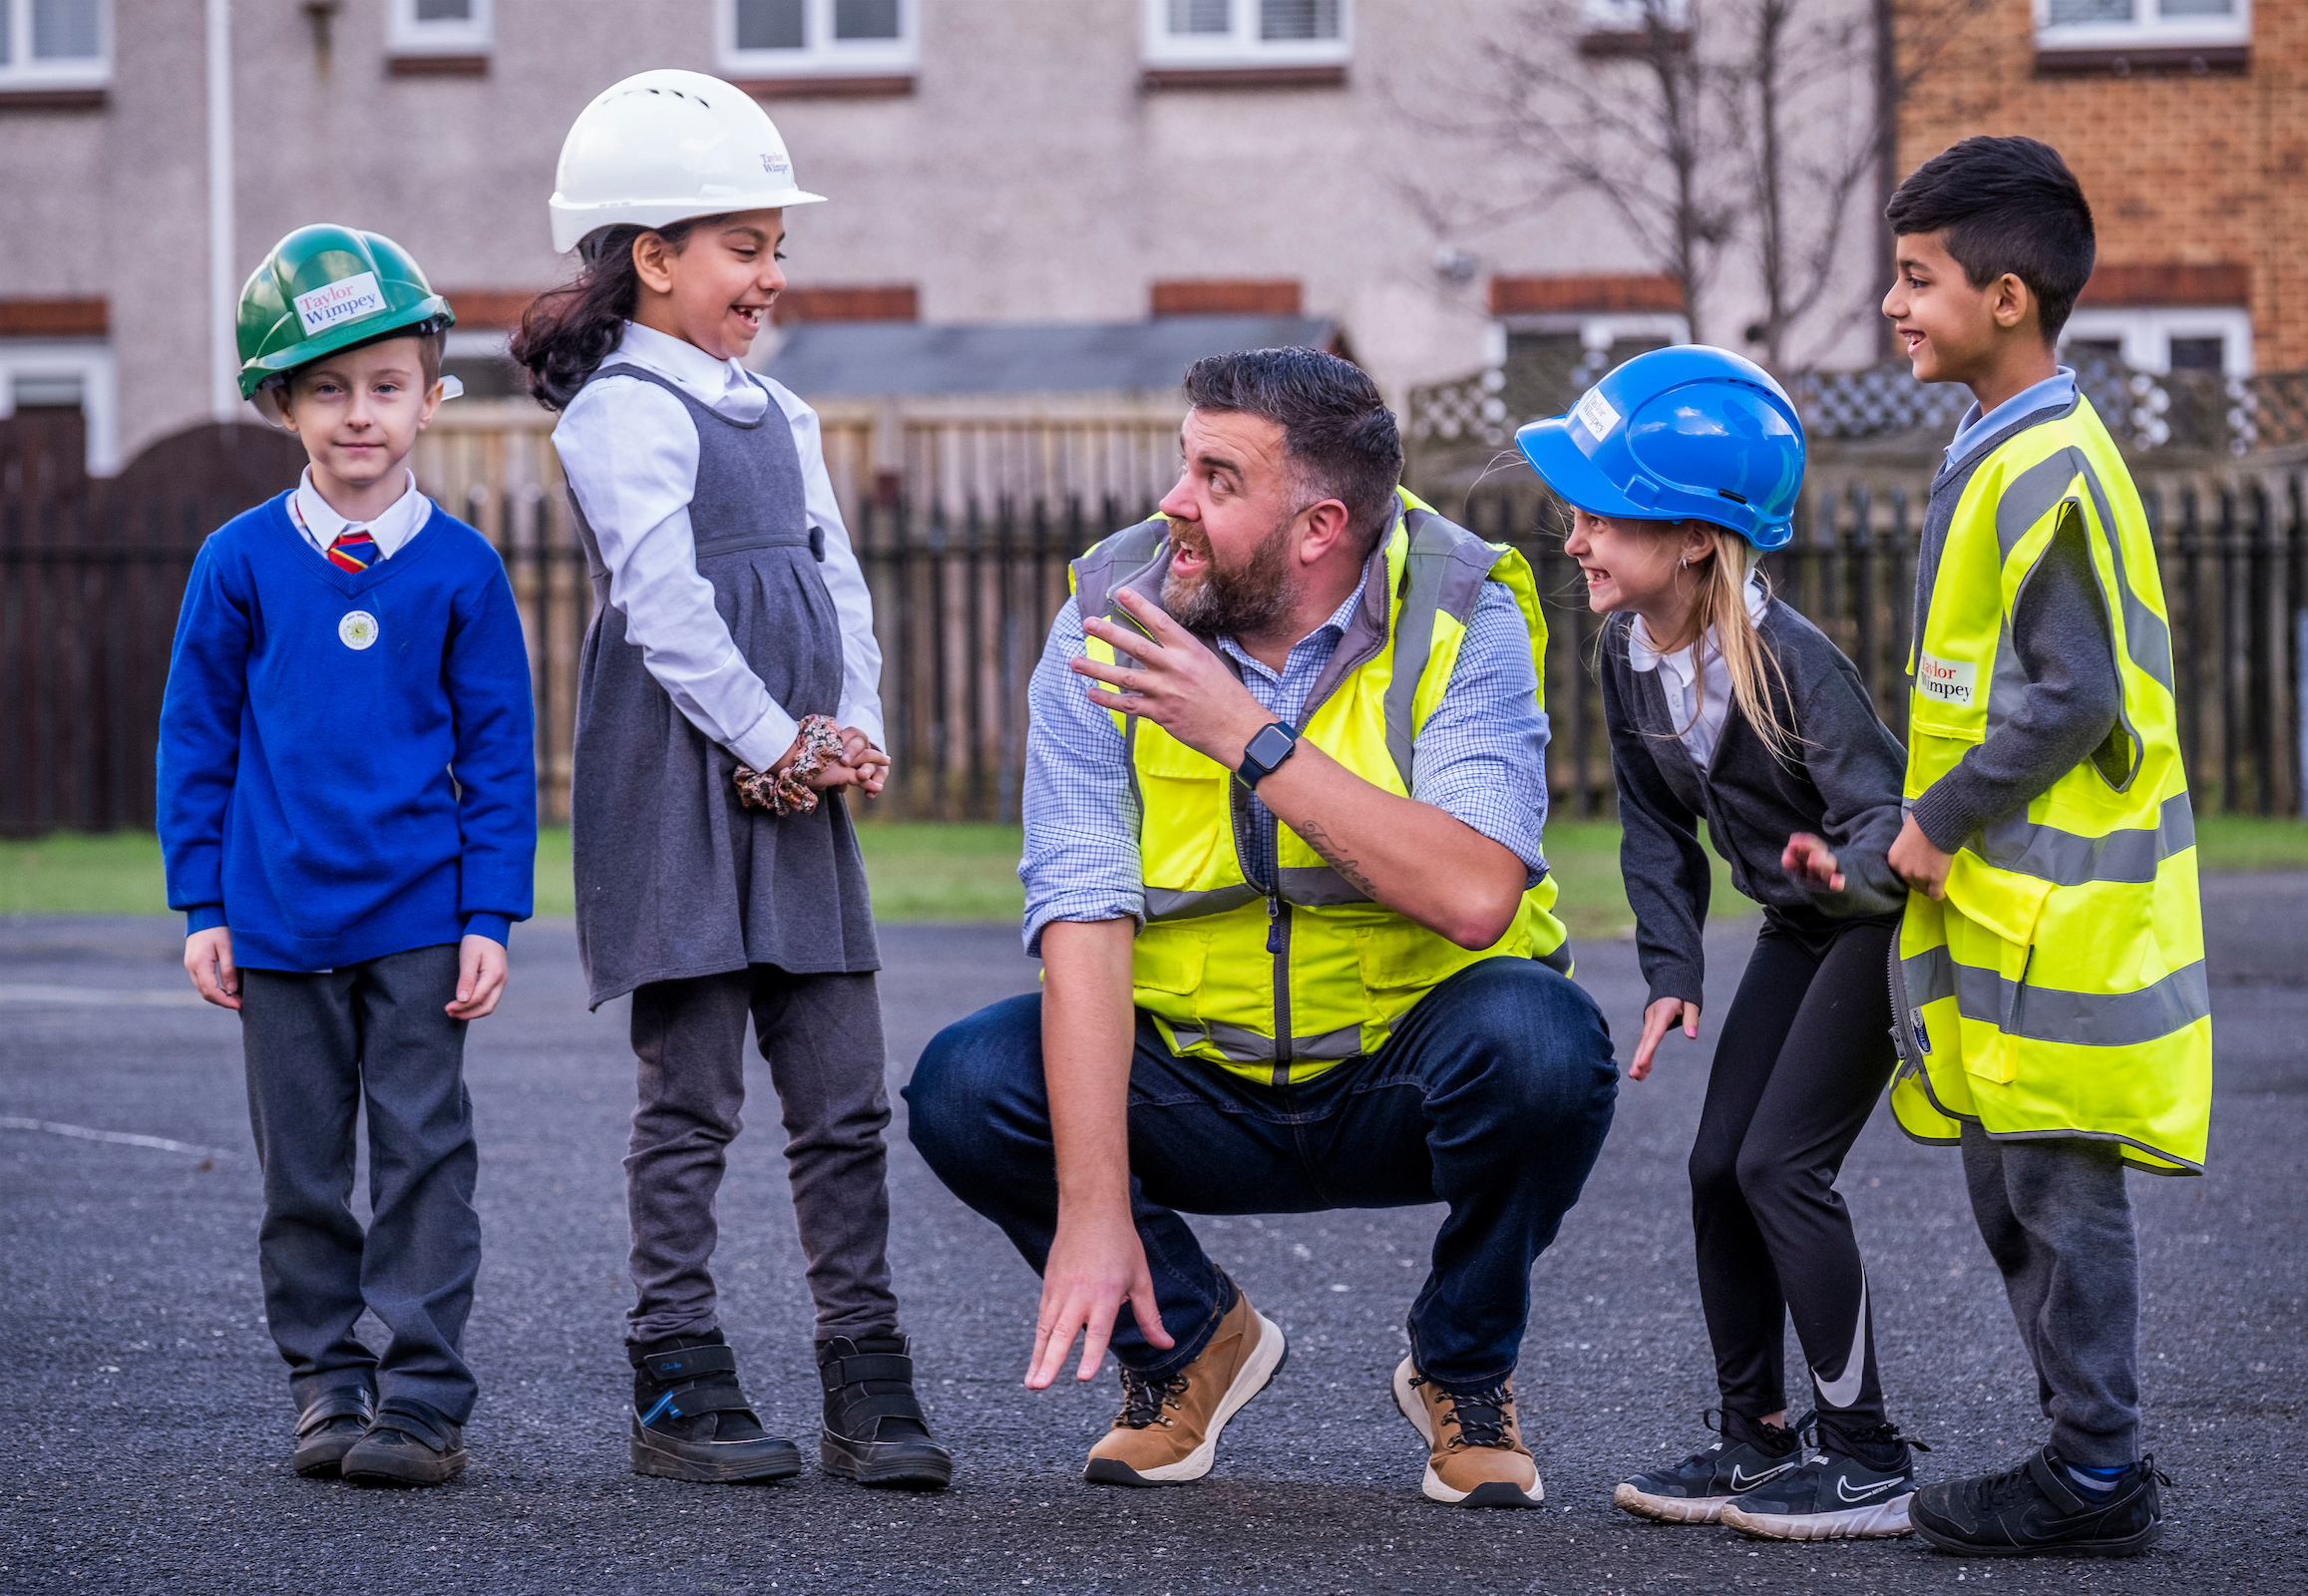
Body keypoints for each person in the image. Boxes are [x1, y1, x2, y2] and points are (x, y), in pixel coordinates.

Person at [907, 346, 1616, 1509]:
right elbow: (1082, 911)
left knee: (1548, 1042)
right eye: (1183, 464)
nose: (1173, 502)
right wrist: (1088, 1212)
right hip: (1195, 1078)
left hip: (1400, 1075)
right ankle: (1186, 1347)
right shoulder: (1106, 608)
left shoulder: (1465, 605)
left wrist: (1249, 736)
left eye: (1217, 478)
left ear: (1318, 525)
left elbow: (1478, 890)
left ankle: (1463, 1366)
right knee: (967, 1081)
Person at [518, 68, 949, 1490]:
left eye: (778, 247)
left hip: (799, 787)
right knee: (692, 1097)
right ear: (654, 257)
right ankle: (676, 1379)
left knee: (843, 1097)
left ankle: (866, 1378)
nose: (771, 274)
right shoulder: (617, 414)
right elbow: (666, 612)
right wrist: (771, 742)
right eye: (745, 246)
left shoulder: (789, 411)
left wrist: (855, 726)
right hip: (685, 786)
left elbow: (840, 582)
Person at [1516, 346, 1930, 1541]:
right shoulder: (1623, 650)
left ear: (1697, 537)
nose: (1577, 538)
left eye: (1606, 516)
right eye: (1576, 513)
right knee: (1714, 1168)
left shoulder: (1792, 663)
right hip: (1800, 933)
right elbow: (1655, 830)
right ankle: (1755, 1439)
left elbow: (1883, 819)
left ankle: (1868, 1456)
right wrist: (1672, 973)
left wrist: (1838, 869)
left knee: (1778, 1167)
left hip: (1875, 928)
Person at [159, 225, 538, 1487]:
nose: (358, 413)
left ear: (433, 395)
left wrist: (490, 914)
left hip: (422, 916)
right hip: (275, 919)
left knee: (427, 1152)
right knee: (304, 1168)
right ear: (282, 404)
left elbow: (499, 757)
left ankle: (424, 1396)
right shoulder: (239, 561)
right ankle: (328, 1380)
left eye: (385, 384)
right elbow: (196, 739)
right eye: (327, 387)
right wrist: (202, 900)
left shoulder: (466, 569)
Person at [1878, 136, 2207, 1558]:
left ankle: (2093, 1472)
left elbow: (2073, 693)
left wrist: (1934, 822)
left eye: (1918, 278)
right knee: (2017, 1188)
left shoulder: (2047, 465)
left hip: (2052, 909)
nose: (1895, 304)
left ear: (2006, 298)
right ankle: (2084, 1461)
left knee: (2059, 1197)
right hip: (2012, 907)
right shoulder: (2006, 444)